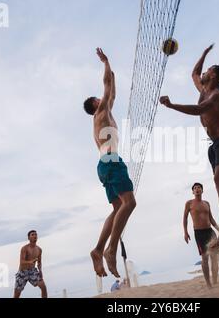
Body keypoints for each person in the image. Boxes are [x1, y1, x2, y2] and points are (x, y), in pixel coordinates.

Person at [160, 44, 219, 250]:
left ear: (213, 76)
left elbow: (199, 109)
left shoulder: (217, 96)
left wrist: (171, 105)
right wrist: (204, 54)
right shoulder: (204, 89)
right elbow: (194, 73)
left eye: (208, 70)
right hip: (215, 145)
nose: (203, 73)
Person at [84, 48, 137, 278]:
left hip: (105, 164)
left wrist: (113, 76)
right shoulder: (100, 113)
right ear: (96, 104)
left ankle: (97, 250)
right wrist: (106, 62)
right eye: (100, 98)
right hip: (111, 161)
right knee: (130, 203)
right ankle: (110, 250)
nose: (103, 97)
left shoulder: (105, 115)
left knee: (118, 208)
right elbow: (107, 86)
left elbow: (111, 91)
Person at [183, 183, 219, 288]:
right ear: (193, 192)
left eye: (199, 187)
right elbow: (185, 218)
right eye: (195, 188)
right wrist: (185, 232)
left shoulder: (207, 203)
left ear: (202, 190)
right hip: (199, 233)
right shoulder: (189, 203)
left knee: (214, 257)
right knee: (205, 258)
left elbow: (211, 219)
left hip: (210, 231)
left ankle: (215, 281)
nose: (197, 189)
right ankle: (208, 284)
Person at [14, 230, 48, 298]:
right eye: (32, 235)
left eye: (36, 234)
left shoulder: (39, 249)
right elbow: (21, 262)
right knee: (16, 295)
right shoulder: (25, 248)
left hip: (32, 271)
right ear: (29, 238)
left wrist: (40, 271)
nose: (35, 236)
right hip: (22, 272)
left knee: (43, 286)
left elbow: (39, 262)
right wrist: (30, 261)